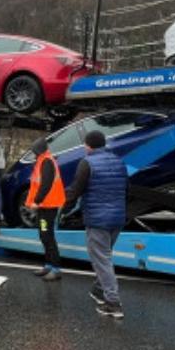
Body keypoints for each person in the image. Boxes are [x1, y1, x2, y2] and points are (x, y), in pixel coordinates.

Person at [64, 130, 127, 318]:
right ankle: (99, 290)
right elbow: (127, 188)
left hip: (98, 219)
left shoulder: (87, 162)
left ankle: (113, 303)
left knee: (102, 260)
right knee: (105, 257)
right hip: (117, 218)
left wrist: (65, 208)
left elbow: (76, 189)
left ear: (88, 145)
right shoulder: (119, 161)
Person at [26, 137, 65, 281]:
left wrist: (37, 201)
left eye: (34, 151)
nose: (34, 154)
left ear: (38, 151)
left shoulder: (47, 161)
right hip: (45, 205)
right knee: (44, 236)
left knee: (47, 236)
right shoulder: (43, 160)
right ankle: (48, 265)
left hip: (48, 205)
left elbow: (46, 184)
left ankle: (55, 269)